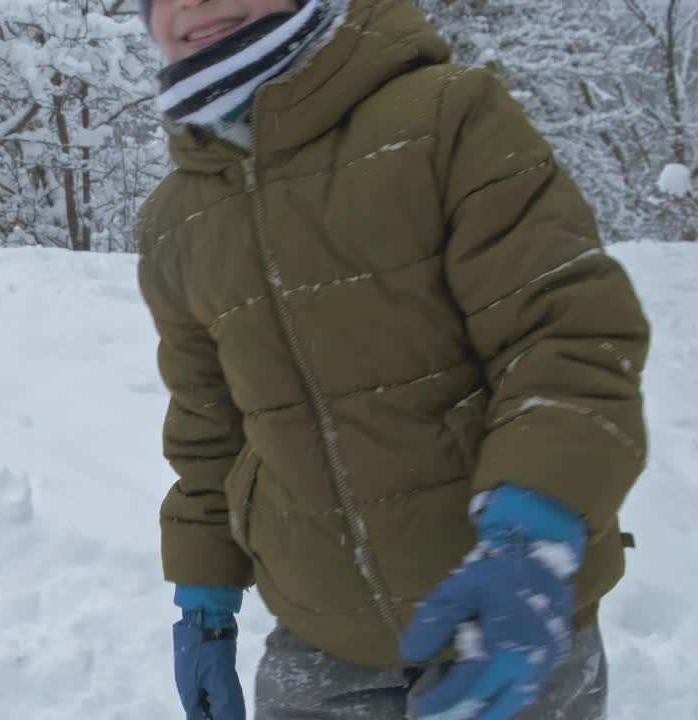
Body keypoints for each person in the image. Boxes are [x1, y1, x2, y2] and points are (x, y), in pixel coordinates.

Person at [133, 0, 651, 718]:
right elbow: (207, 422)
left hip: (501, 603)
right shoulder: (175, 221)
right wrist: (204, 598)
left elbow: (568, 333)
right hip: (321, 635)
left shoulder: (448, 119)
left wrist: (533, 531)